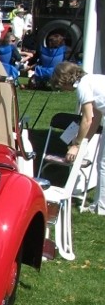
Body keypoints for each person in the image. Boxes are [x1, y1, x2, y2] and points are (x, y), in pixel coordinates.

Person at [53, 61, 105, 214]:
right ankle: (98, 204)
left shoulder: (83, 86)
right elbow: (95, 118)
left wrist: (76, 145)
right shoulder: (93, 80)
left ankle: (101, 207)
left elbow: (87, 119)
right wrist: (84, 143)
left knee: (103, 165)